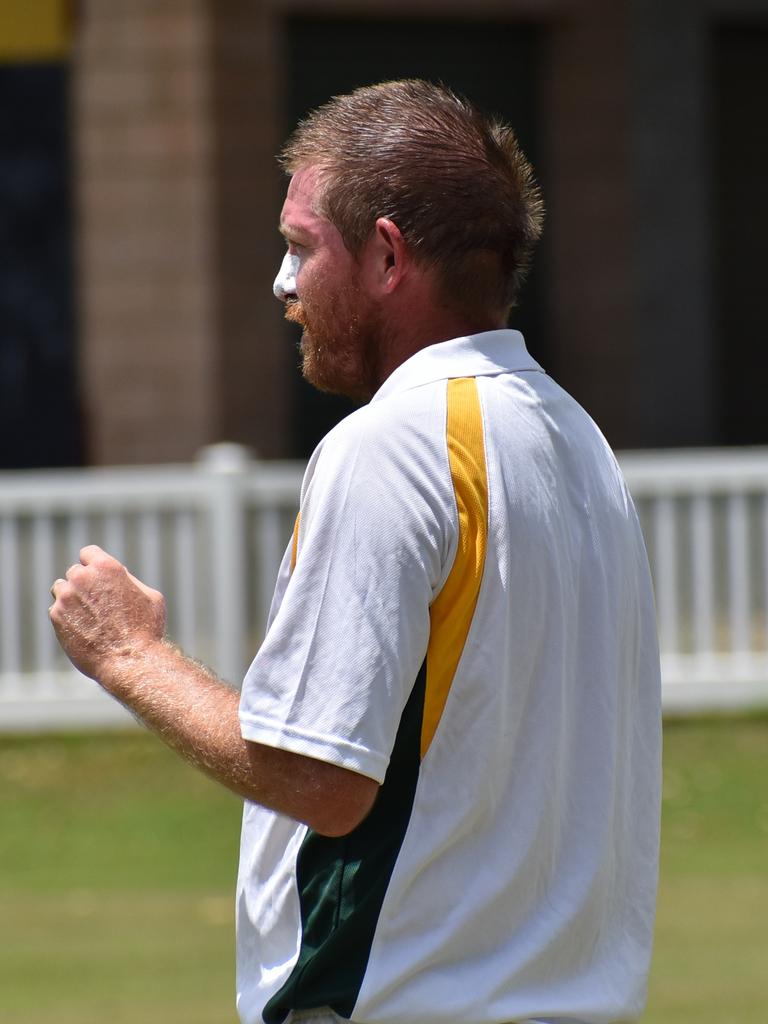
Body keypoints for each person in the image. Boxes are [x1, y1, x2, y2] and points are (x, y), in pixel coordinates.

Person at [50, 80, 661, 1024]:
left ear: (385, 256)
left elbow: (319, 779)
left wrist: (129, 655)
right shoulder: (578, 440)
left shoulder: (394, 445)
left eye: (300, 247)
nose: (281, 284)